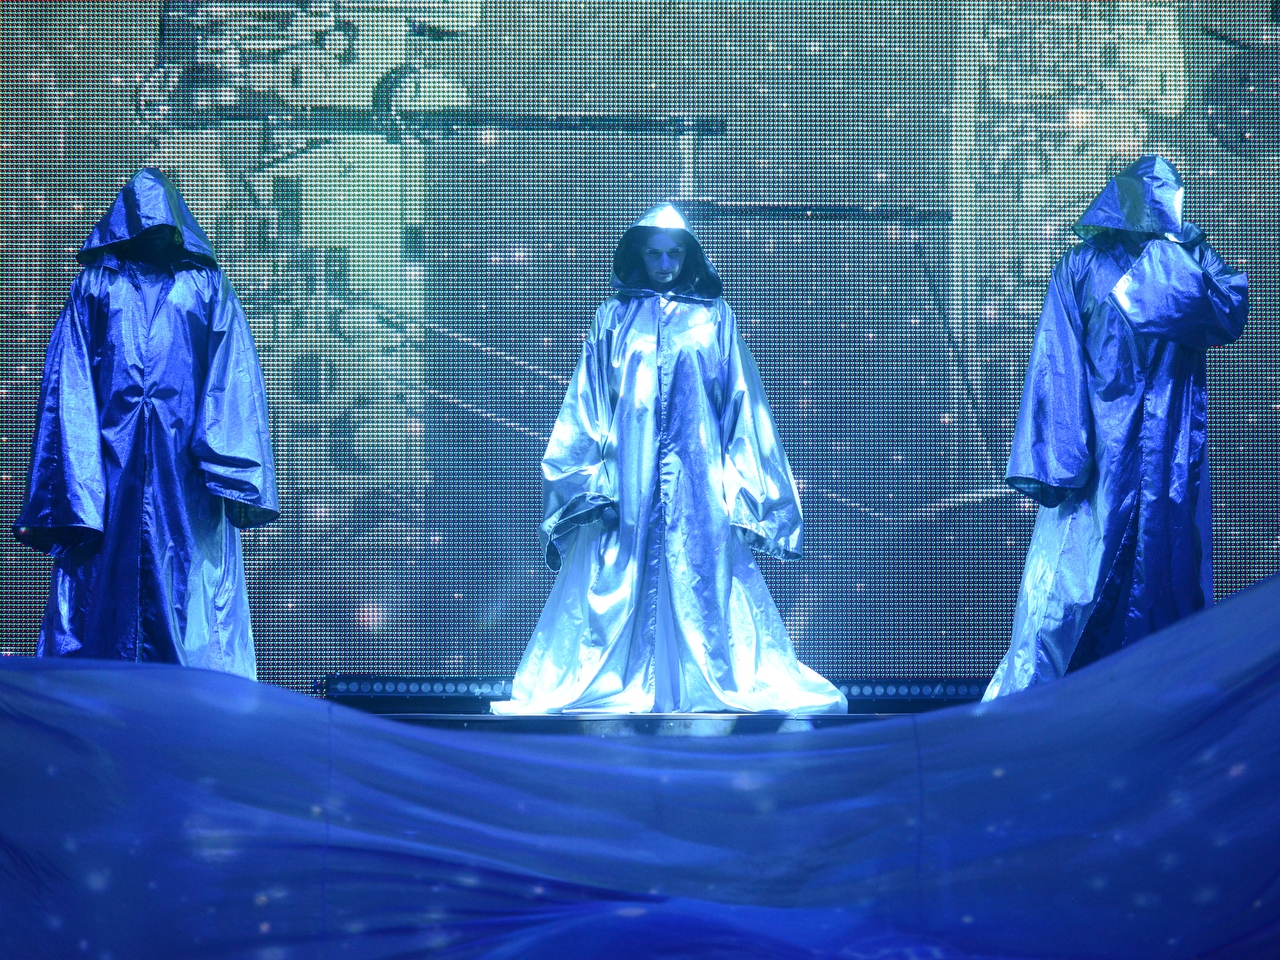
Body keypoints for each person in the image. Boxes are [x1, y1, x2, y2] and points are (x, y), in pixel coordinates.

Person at [494, 205, 845, 714]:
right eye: (654, 254)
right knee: (620, 578)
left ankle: (701, 684)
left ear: (688, 255)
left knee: (702, 572)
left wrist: (747, 489)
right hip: (627, 479)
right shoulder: (613, 318)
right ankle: (618, 682)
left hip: (699, 481)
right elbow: (588, 400)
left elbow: (742, 402)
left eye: (674, 254)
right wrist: (586, 482)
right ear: (639, 253)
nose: (664, 265)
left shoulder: (714, 317)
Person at [984, 155, 1249, 700]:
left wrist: (1058, 460)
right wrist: (1062, 458)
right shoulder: (1170, 264)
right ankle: (1131, 708)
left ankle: (1082, 709)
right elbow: (1060, 358)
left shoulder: (1112, 263)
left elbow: (1058, 364)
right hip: (1140, 464)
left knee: (1102, 587)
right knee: (1126, 583)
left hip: (1128, 463)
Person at [13, 167, 278, 679]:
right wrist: (79, 483)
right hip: (109, 479)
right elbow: (69, 385)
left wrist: (224, 468)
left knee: (190, 592)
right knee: (103, 593)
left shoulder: (206, 287)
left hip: (187, 479)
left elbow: (231, 376)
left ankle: (197, 709)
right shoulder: (96, 286)